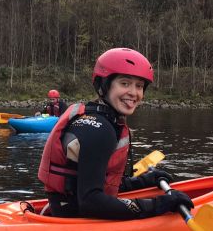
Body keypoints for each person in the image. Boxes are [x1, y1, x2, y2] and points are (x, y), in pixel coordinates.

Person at [38, 47, 194, 219]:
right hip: (76, 221)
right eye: (125, 83)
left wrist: (143, 181)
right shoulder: (101, 130)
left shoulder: (95, 120)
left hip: (66, 209)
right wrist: (158, 205)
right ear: (104, 86)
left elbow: (99, 183)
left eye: (139, 86)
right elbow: (91, 202)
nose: (134, 93)